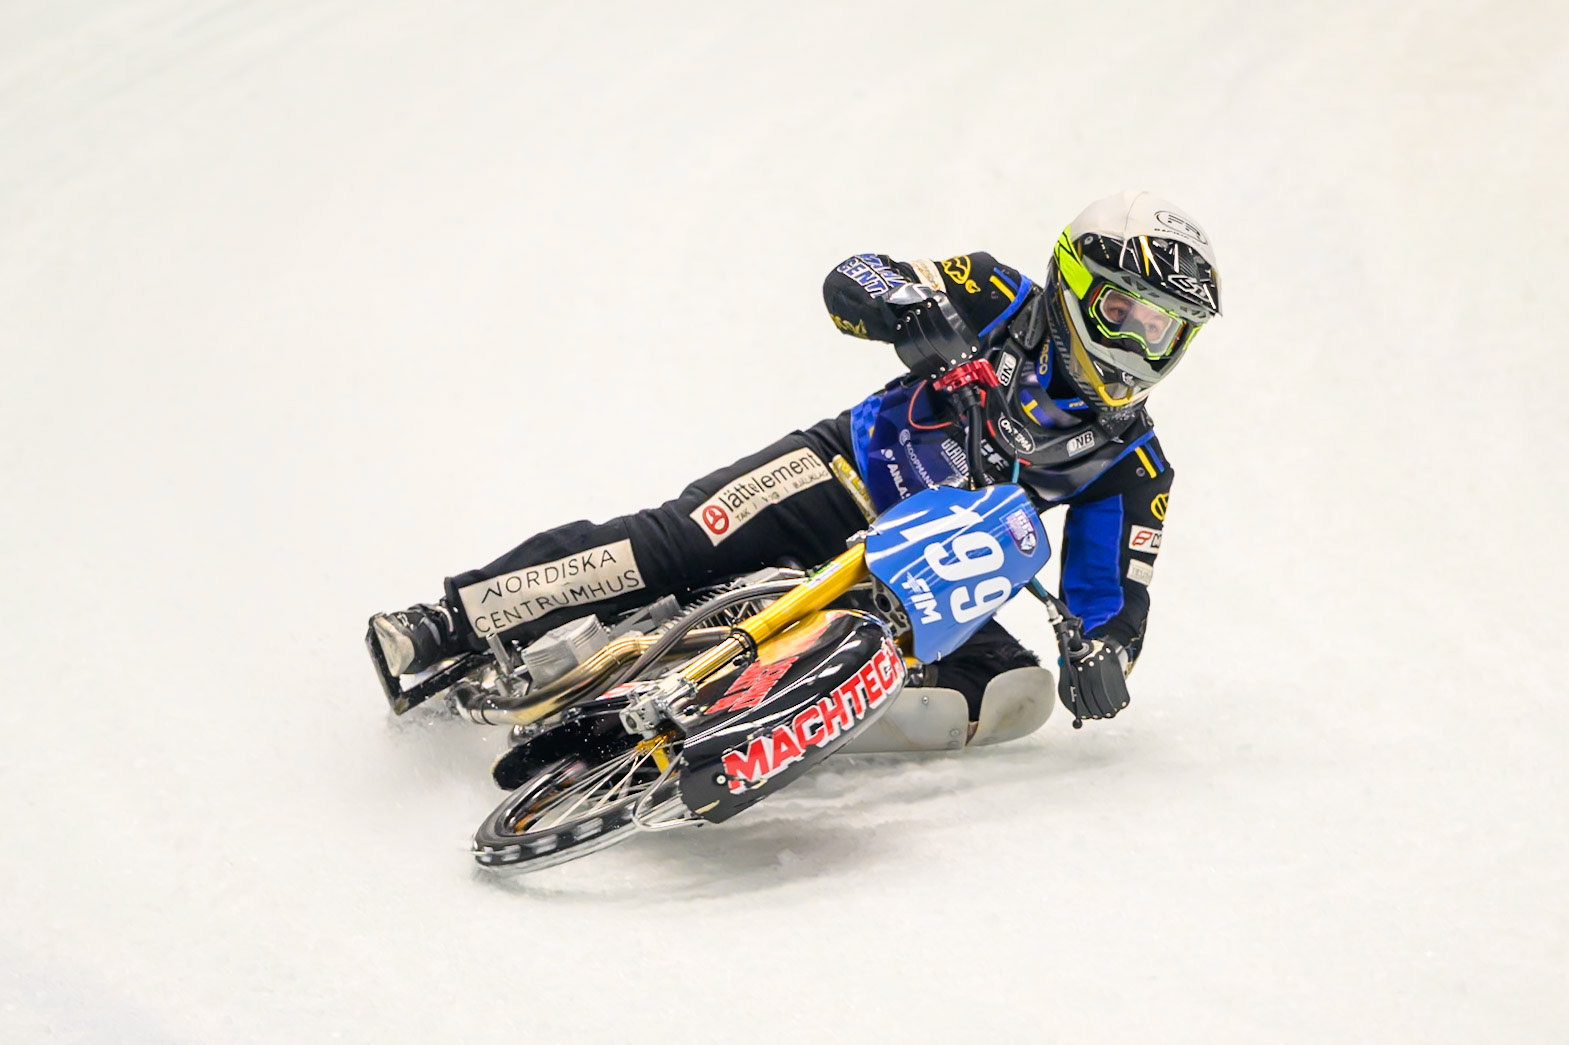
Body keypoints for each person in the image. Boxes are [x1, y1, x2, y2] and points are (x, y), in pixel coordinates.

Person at [369, 190, 1222, 747]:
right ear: (1072, 284)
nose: (1138, 345)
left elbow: (1110, 599)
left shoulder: (1135, 464)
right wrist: (907, 309)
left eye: (1162, 330)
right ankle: (451, 617)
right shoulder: (998, 295)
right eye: (1123, 312)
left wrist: (1103, 657)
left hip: (923, 577)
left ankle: (731, 715)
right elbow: (856, 274)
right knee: (669, 544)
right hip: (839, 474)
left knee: (1004, 690)